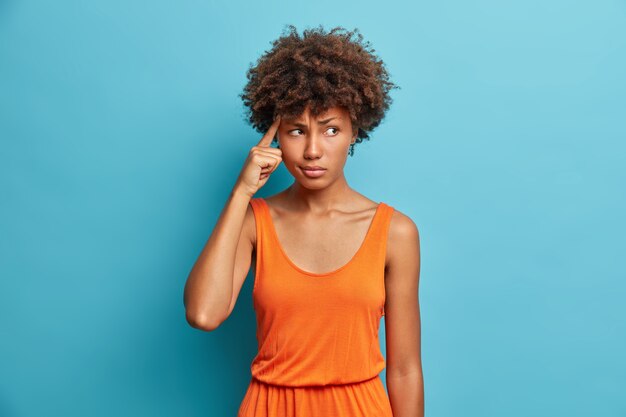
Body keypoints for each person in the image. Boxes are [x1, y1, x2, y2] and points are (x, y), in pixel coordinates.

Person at [184, 24, 423, 417]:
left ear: (354, 131)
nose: (313, 150)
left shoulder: (395, 232)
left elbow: (405, 369)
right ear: (276, 135)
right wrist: (240, 193)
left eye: (331, 129)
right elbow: (203, 314)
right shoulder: (253, 221)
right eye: (297, 131)